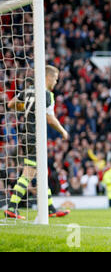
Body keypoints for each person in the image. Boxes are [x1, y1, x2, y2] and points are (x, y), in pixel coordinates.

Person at [4, 65, 70, 219]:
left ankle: (51, 209)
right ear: (48, 77)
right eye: (55, 78)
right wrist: (63, 131)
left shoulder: (28, 90)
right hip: (35, 136)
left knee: (40, 172)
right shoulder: (47, 94)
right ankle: (12, 207)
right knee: (29, 173)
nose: (56, 81)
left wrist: (27, 107)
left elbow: (11, 104)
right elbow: (50, 118)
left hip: (26, 136)